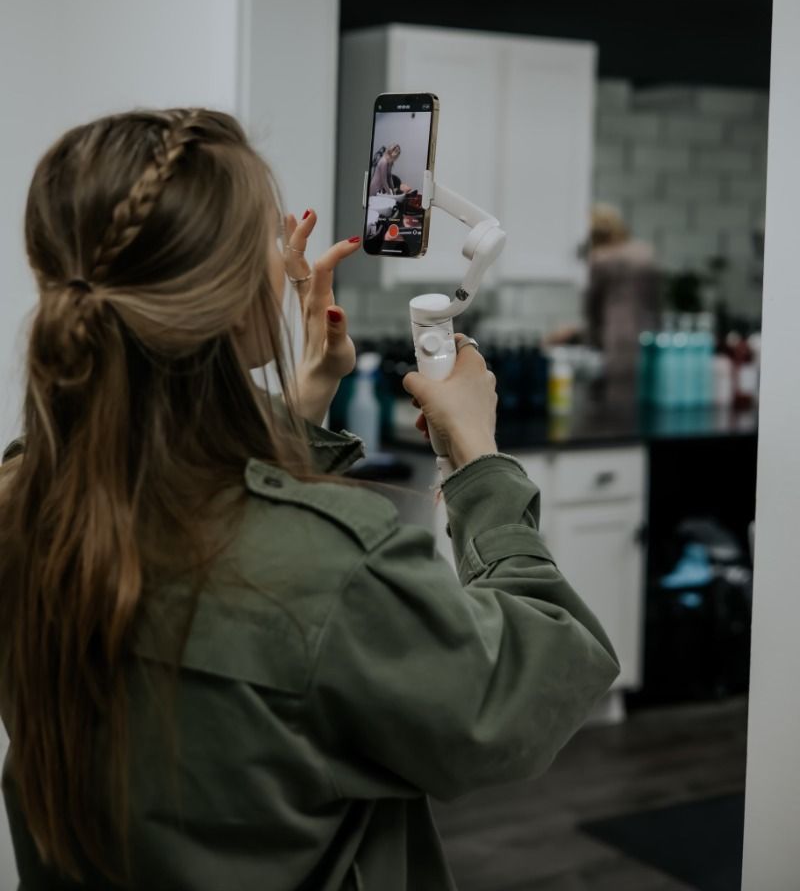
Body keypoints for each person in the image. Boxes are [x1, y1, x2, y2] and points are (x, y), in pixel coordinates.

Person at [0, 108, 619, 891]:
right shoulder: (336, 568)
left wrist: (300, 405)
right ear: (228, 296)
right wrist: (479, 459)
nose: (287, 254)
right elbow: (527, 692)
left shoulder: (26, 497)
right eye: (268, 236)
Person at [548, 202, 661, 385]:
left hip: (615, 344)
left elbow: (594, 311)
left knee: (616, 395)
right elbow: (653, 304)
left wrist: (578, 336)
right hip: (649, 339)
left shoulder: (601, 260)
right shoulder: (645, 254)